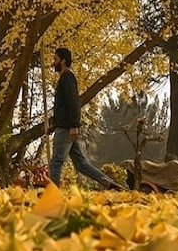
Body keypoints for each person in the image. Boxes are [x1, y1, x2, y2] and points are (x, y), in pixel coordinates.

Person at [49, 47, 126, 190]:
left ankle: (52, 194)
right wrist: (54, 123)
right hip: (66, 126)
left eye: (55, 59)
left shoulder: (67, 77)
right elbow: (65, 105)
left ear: (63, 60)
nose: (53, 63)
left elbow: (73, 102)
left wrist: (73, 125)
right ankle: (111, 185)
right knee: (81, 164)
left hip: (66, 128)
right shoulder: (65, 77)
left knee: (56, 162)